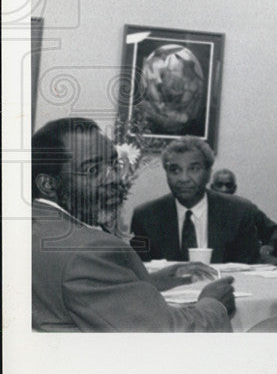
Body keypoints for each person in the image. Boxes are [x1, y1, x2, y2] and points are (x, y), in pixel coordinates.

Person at [31, 118, 235, 331]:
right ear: (48, 184)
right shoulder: (88, 250)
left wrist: (156, 280)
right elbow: (168, 333)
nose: (113, 178)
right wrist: (214, 304)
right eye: (93, 170)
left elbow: (85, 290)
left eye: (113, 164)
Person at [130, 137, 263, 264]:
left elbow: (247, 269)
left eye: (193, 169)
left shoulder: (238, 212)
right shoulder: (145, 217)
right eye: (175, 170)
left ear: (208, 173)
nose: (183, 178)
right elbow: (141, 273)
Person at [210, 167, 277, 264]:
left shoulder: (244, 209)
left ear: (234, 188)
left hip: (242, 263)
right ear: (212, 188)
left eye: (228, 185)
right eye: (219, 185)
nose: (224, 189)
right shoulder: (202, 210)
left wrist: (270, 246)